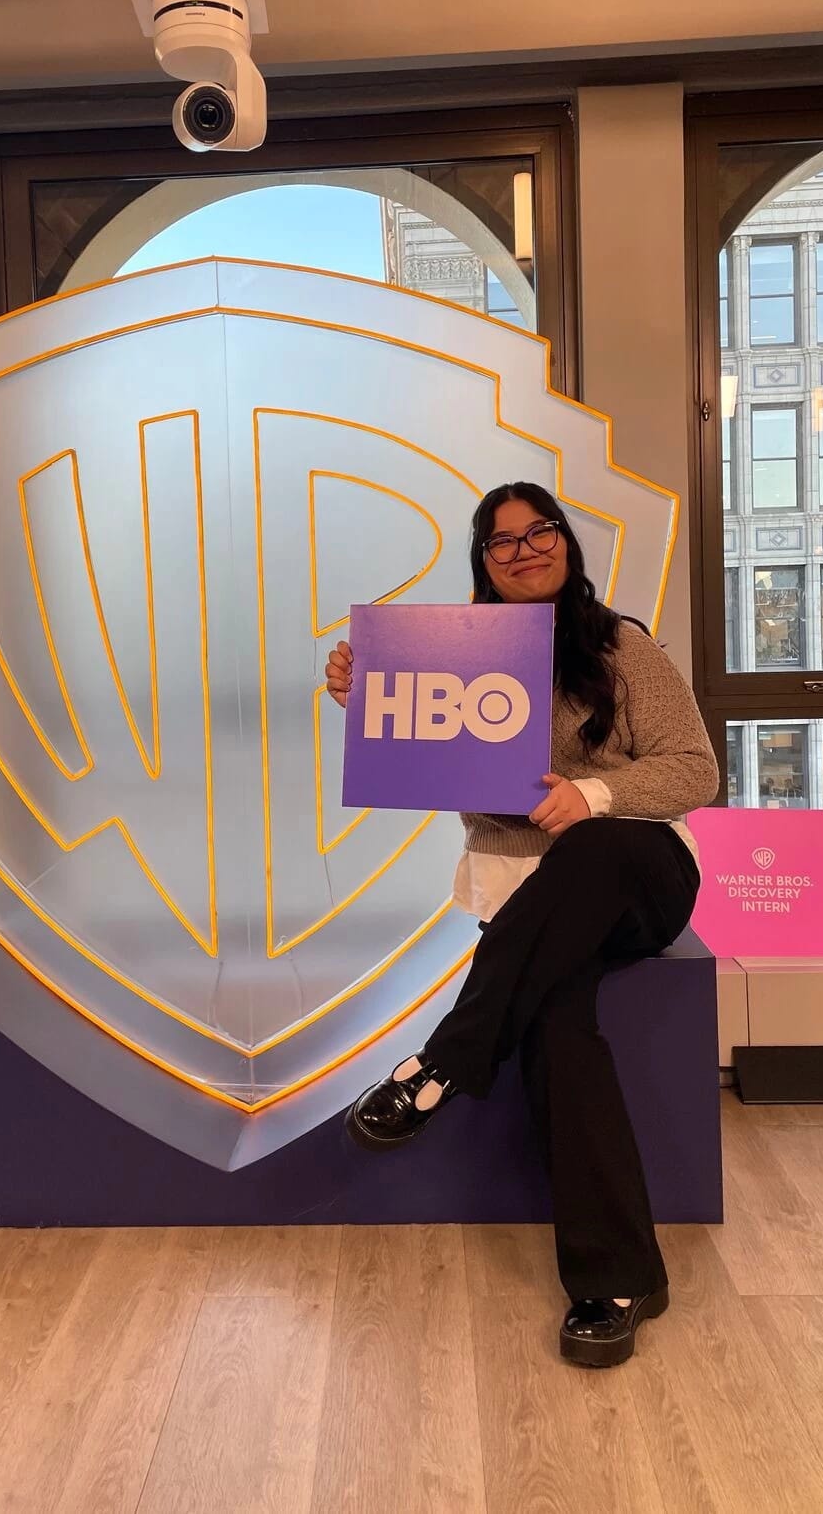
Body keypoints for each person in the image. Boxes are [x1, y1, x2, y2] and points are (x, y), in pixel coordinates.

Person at [325, 481, 718, 1369]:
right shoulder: (459, 657)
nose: (525, 548)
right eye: (501, 542)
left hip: (638, 874)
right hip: (531, 906)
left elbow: (696, 769)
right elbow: (428, 749)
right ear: (484, 564)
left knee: (590, 846)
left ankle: (442, 1064)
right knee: (557, 1028)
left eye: (539, 530)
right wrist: (368, 697)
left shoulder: (621, 645)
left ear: (566, 543)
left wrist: (594, 795)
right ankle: (618, 1281)